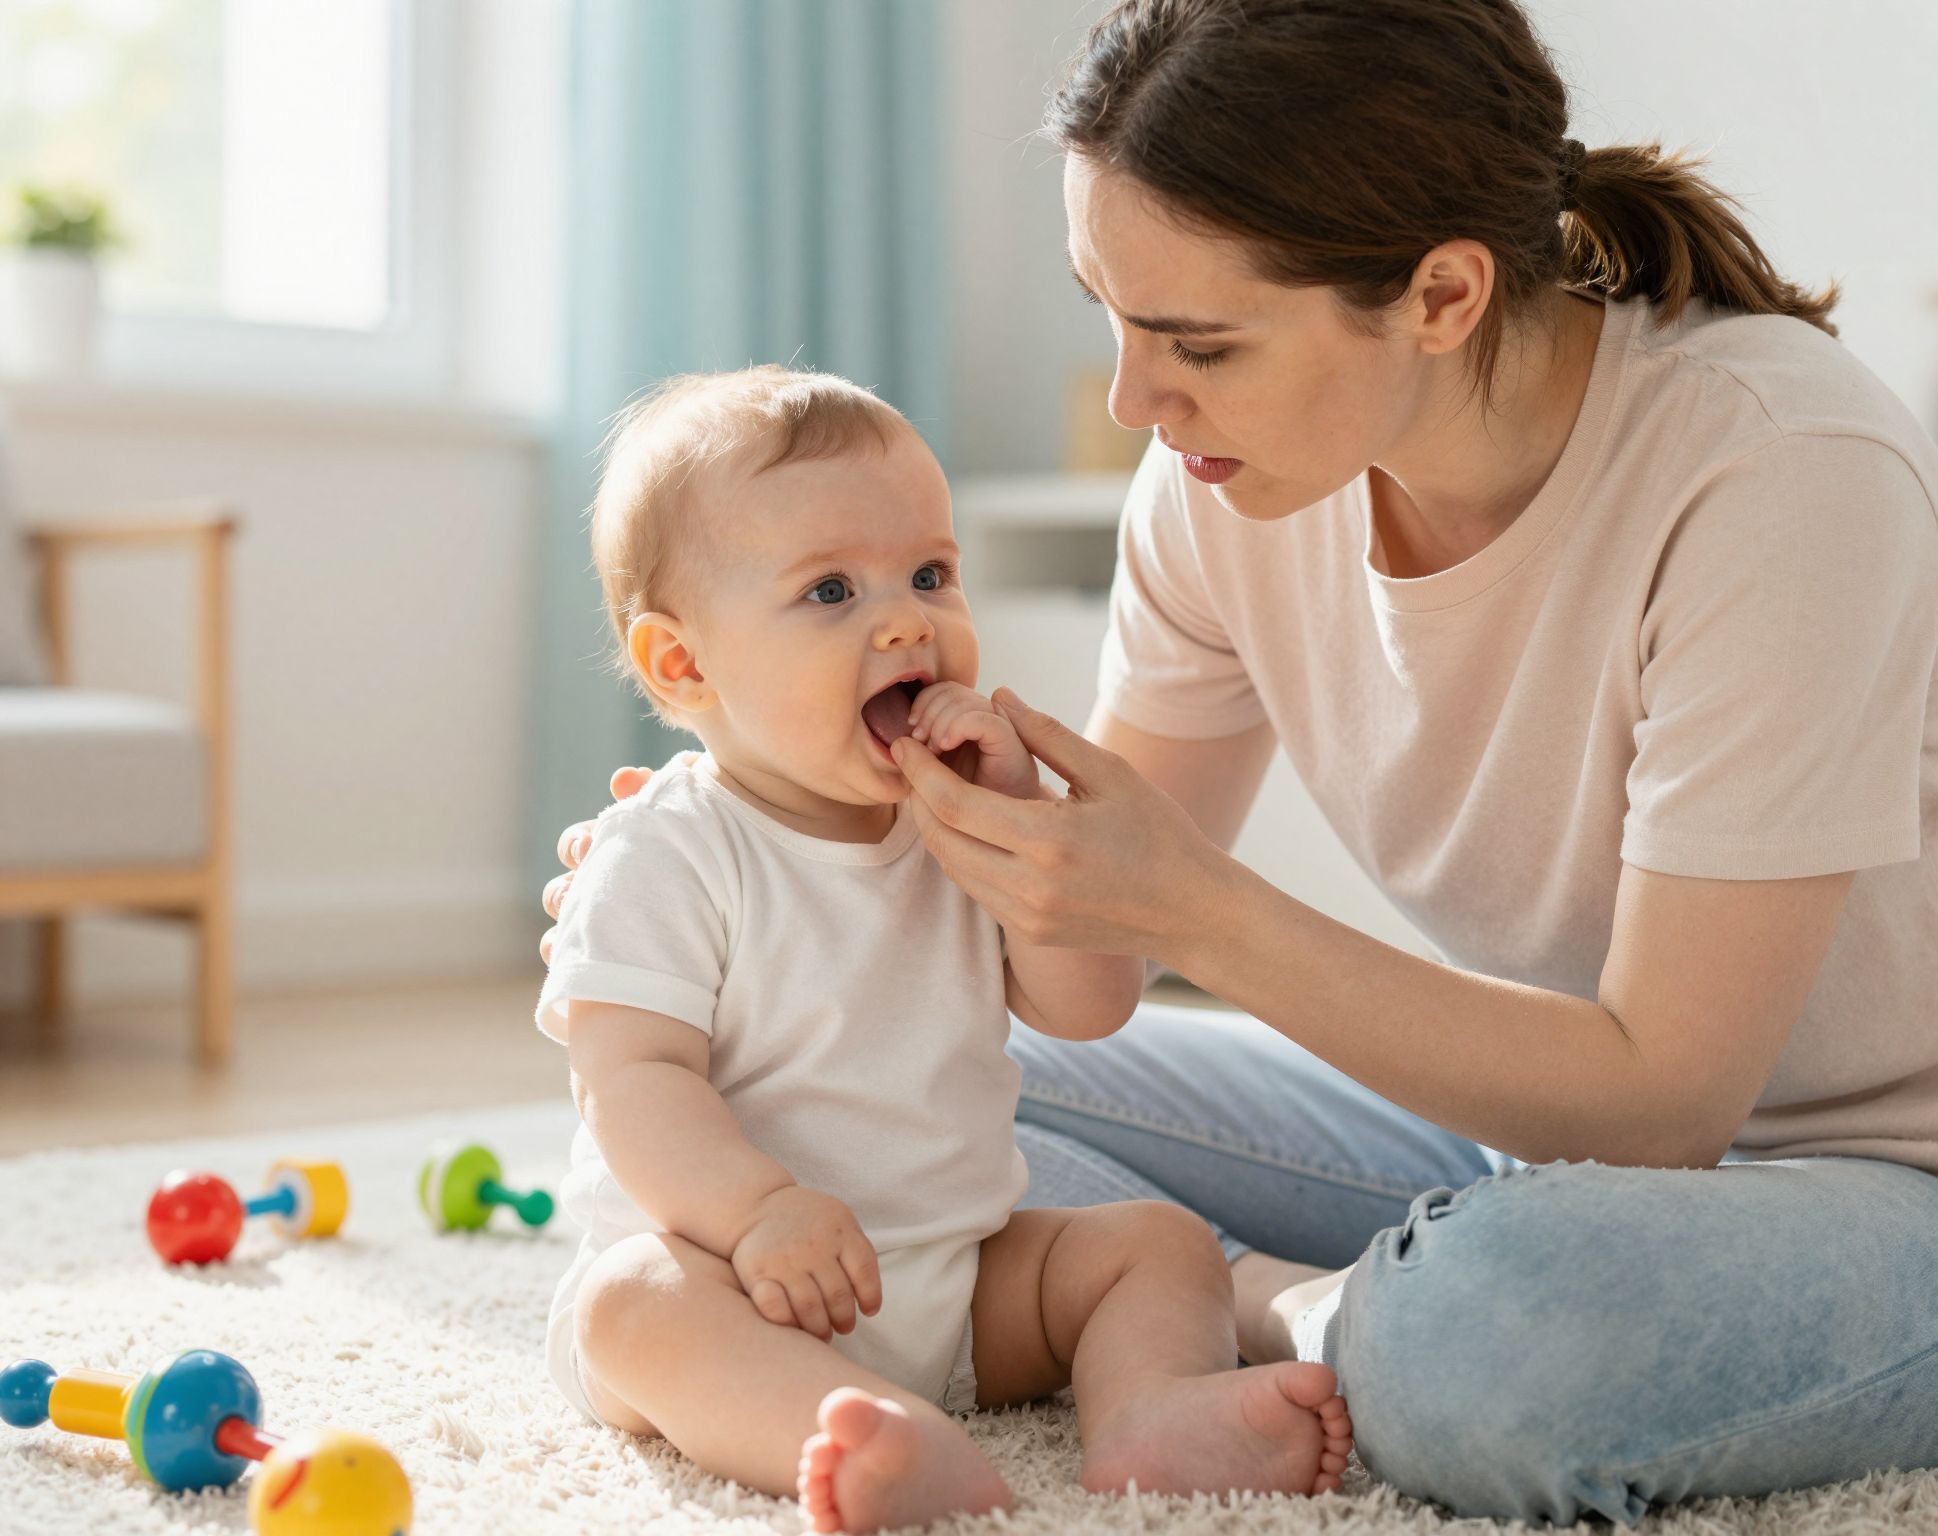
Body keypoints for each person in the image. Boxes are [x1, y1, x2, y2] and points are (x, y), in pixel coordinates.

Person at [545, 1, 1938, 1523]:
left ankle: (1304, 1306)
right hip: (1532, 1136)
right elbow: (1081, 974)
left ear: (1442, 294)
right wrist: (750, 875)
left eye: (1199, 343)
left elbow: (1664, 1112)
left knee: (1491, 1340)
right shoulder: (1218, 486)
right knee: (886, 1076)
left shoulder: (1779, 475)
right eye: (1111, 315)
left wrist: (1196, 907)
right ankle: (1271, 1305)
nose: (1135, 401)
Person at [536, 365, 1351, 1536]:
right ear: (684, 665)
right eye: (829, 591)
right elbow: (629, 1083)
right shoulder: (665, 850)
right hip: (734, 1278)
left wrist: (1026, 824)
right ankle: (855, 1433)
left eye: (929, 574)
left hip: (958, 1285)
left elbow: (1086, 1008)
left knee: (1156, 1246)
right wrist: (757, 1214)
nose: (906, 620)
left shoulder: (960, 824)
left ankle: (1150, 1414)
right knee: (632, 1305)